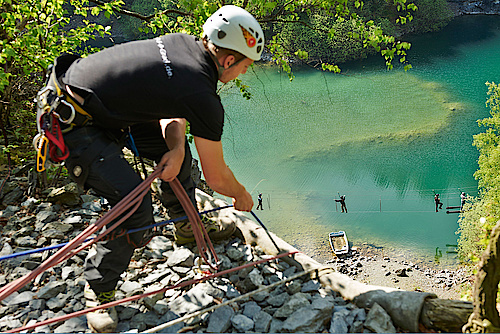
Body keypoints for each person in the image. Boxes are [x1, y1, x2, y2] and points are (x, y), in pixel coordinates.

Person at [39, 6, 264, 332]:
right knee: (135, 209)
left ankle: (187, 227)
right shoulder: (202, 93)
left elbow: (168, 108)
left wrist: (174, 149)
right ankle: (99, 288)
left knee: (180, 153)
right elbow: (216, 178)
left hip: (85, 102)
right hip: (70, 124)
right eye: (246, 66)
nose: (244, 73)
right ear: (230, 60)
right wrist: (241, 195)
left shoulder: (183, 46)